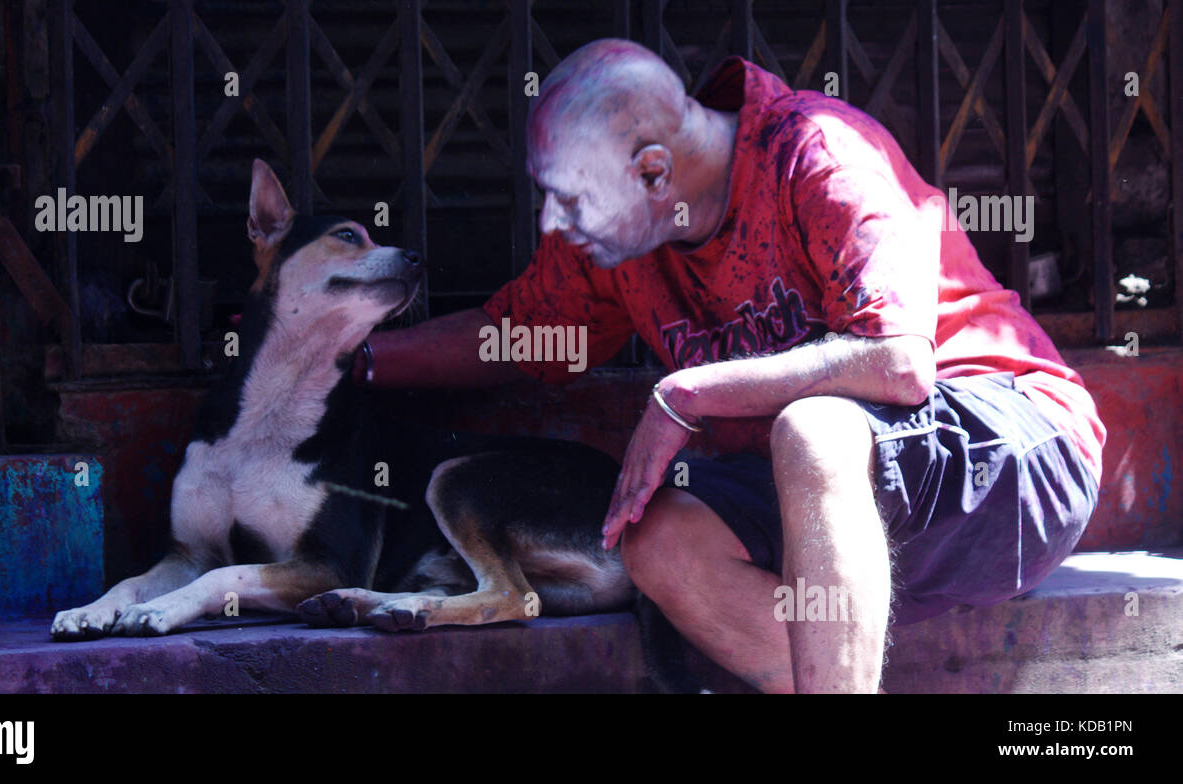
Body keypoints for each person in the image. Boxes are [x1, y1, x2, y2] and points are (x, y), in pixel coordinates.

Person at [349, 39, 1104, 693]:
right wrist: (354, 358)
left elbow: (900, 363)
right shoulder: (621, 246)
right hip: (835, 498)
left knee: (814, 431)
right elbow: (515, 332)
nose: (554, 223)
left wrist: (687, 393)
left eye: (572, 199)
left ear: (651, 172)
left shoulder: (818, 150)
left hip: (1013, 449)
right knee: (654, 536)